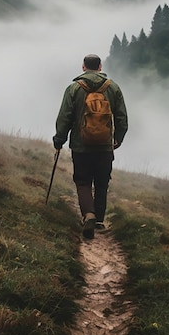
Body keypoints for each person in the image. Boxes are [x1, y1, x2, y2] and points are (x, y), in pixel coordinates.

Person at [53, 54, 128, 239]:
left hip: (81, 146)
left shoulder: (74, 88)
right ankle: (100, 220)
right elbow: (122, 118)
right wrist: (118, 138)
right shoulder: (113, 88)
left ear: (83, 67)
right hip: (104, 146)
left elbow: (65, 117)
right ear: (100, 67)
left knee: (83, 181)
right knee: (102, 182)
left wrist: (59, 140)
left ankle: (89, 214)